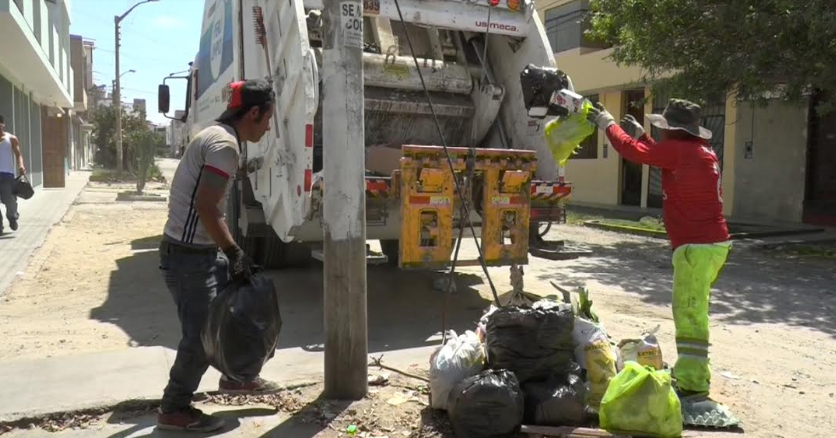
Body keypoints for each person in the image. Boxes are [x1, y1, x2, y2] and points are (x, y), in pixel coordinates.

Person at [586, 99, 731, 404]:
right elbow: (658, 156)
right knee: (695, 309)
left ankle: (693, 383)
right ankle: (693, 373)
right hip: (713, 243)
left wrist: (606, 124)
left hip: (696, 246)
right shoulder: (701, 151)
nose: (661, 133)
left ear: (673, 130)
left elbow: (633, 153)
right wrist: (642, 136)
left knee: (690, 314)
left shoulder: (678, 150)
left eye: (663, 128)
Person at [157, 80, 281, 432]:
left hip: (198, 252)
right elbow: (208, 207)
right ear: (253, 113)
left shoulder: (215, 135)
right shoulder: (225, 145)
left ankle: (236, 377)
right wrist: (235, 252)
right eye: (268, 117)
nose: (269, 125)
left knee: (241, 315)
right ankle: (174, 408)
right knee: (199, 336)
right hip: (188, 257)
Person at [0, 115, 25, 234]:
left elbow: (18, 154)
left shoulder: (11, 138)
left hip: (7, 176)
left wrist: (21, 165)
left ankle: (12, 217)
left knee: (8, 200)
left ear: (3, 124)